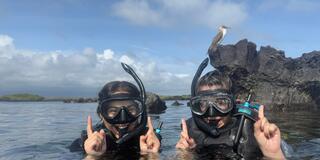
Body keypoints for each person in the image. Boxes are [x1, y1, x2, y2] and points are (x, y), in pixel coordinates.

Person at [176, 58, 286, 159]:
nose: (211, 113)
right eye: (203, 104)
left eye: (221, 102)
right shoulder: (190, 133)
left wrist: (274, 155)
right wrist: (185, 154)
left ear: (233, 103)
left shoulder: (253, 132)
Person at [70, 63, 161, 158]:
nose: (123, 118)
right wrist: (91, 156)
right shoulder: (82, 145)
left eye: (130, 109)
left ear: (140, 111)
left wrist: (152, 155)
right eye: (113, 111)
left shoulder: (151, 142)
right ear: (101, 113)